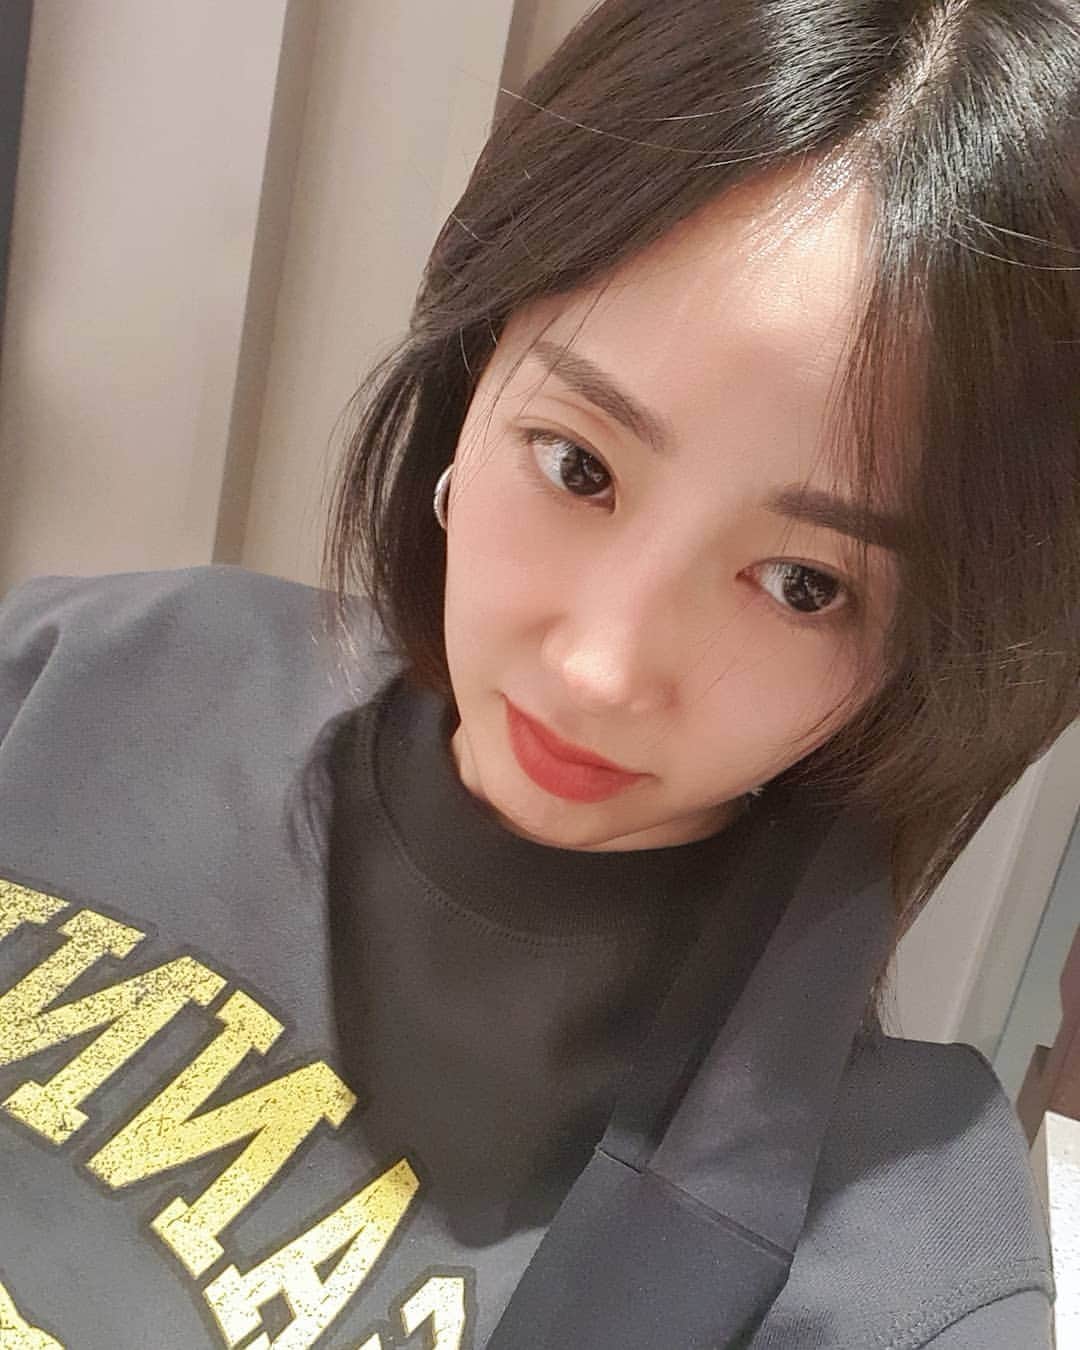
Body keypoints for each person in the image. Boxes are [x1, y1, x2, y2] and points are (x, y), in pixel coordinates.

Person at [0, 0, 1075, 1345]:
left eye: (805, 583)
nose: (602, 666)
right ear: (476, 369)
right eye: (579, 466)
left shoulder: (892, 1242)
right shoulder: (95, 671)